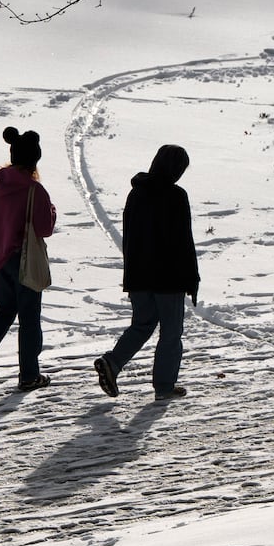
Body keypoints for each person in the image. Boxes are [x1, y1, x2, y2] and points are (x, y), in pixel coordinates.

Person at [93, 144, 200, 400]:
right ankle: (164, 387)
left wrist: (131, 274)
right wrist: (192, 278)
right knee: (171, 333)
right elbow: (184, 241)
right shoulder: (176, 196)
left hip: (139, 276)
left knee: (142, 325)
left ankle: (113, 362)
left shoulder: (136, 194)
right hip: (168, 278)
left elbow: (129, 237)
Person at [0, 126, 57, 392]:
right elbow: (44, 228)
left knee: (5, 311)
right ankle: (29, 375)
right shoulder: (34, 190)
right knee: (29, 317)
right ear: (34, 160)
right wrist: (51, 210)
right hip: (22, 261)